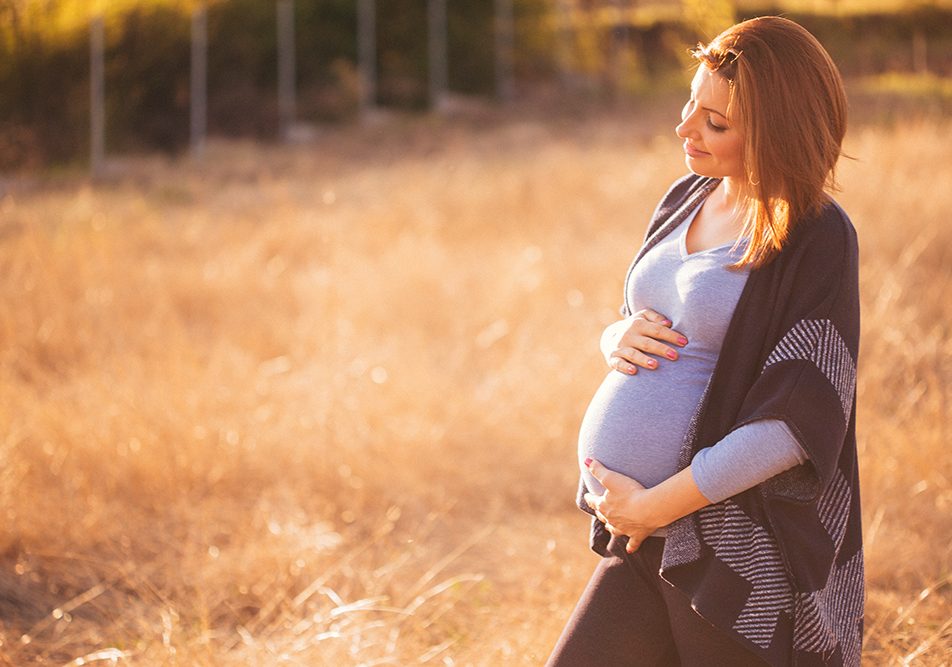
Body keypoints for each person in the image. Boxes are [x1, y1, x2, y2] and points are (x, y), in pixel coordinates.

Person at [546, 16, 863, 667]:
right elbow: (656, 324)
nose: (686, 128)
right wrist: (616, 335)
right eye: (691, 103)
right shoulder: (686, 197)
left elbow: (795, 422)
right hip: (643, 537)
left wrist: (652, 504)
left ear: (779, 133)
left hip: (733, 551)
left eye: (716, 122)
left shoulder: (816, 236)